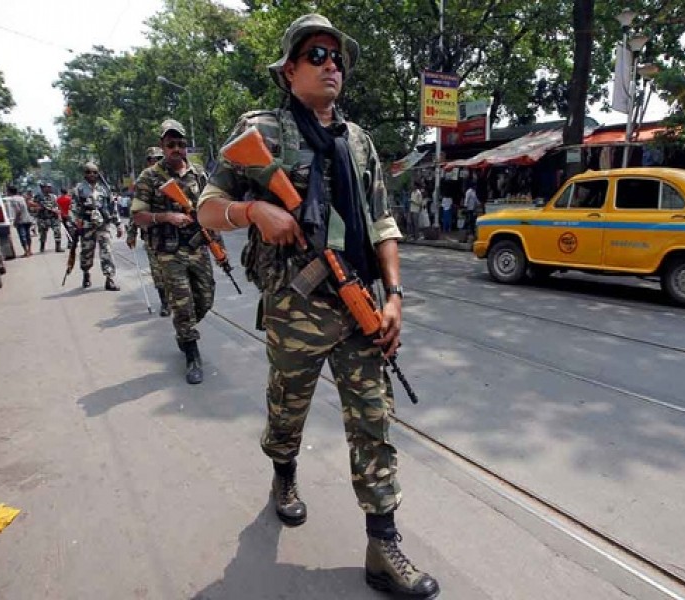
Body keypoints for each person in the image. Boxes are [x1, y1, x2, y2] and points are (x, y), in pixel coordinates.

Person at [196, 14, 439, 599]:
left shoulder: (358, 140)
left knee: (374, 423)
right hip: (294, 309)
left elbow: (383, 221)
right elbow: (207, 207)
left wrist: (395, 295)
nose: (332, 64)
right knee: (288, 411)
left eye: (337, 57)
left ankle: (383, 545)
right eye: (317, 54)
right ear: (290, 69)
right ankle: (284, 474)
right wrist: (254, 212)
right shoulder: (263, 132)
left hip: (360, 305)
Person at [132, 122, 215, 384]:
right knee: (182, 303)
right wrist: (166, 216)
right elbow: (137, 215)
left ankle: (184, 329)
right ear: (163, 147)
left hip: (198, 247)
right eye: (171, 144)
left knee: (205, 298)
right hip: (169, 251)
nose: (176, 149)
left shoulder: (198, 173)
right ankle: (191, 353)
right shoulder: (149, 177)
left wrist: (216, 241)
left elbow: (210, 206)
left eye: (180, 144)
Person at [127, 146, 171, 317]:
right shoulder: (142, 182)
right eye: (152, 159)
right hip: (152, 235)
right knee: (158, 271)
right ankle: (165, 303)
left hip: (173, 233)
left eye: (159, 158)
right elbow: (135, 211)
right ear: (147, 162)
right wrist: (131, 234)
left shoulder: (171, 178)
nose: (155, 162)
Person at [72, 162, 122, 290]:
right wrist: (75, 222)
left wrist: (118, 224)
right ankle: (86, 273)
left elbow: (112, 206)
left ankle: (109, 278)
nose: (92, 175)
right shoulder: (79, 189)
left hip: (103, 225)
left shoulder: (105, 188)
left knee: (107, 251)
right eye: (88, 172)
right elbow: (74, 208)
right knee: (86, 253)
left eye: (94, 172)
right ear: (84, 174)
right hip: (87, 226)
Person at [5, 185, 34, 257]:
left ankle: (26, 251)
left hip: (20, 220)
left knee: (22, 236)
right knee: (28, 235)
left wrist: (15, 221)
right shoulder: (21, 198)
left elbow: (18, 211)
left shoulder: (12, 199)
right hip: (27, 218)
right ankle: (30, 250)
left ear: (9, 192)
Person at [36, 182, 63, 252]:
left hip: (53, 217)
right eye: (47, 187)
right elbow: (34, 205)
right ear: (43, 188)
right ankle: (42, 246)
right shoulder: (39, 196)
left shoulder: (53, 196)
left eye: (50, 187)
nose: (49, 188)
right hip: (43, 218)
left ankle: (58, 247)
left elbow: (57, 205)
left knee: (57, 231)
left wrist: (58, 212)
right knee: (43, 233)